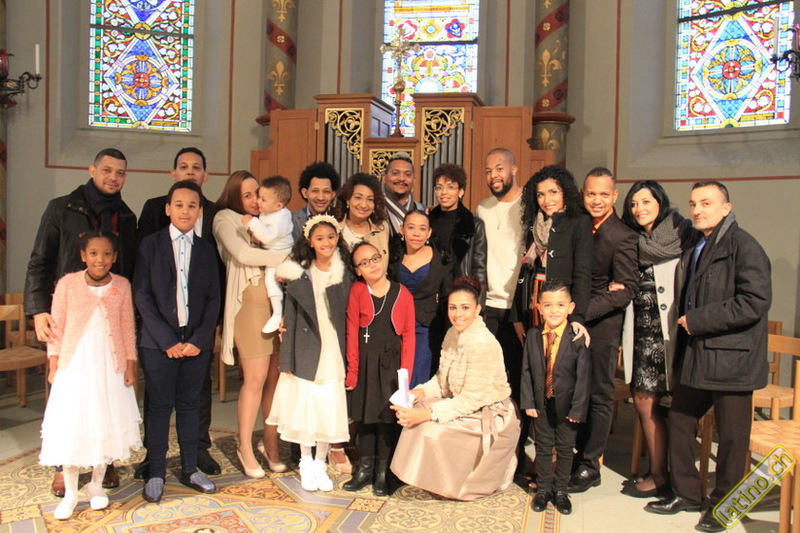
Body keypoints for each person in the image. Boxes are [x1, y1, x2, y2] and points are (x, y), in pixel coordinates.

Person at [645, 181, 771, 533]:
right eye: (693, 204)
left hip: (732, 360)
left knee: (731, 439)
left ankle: (725, 506)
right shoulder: (696, 244)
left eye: (706, 203)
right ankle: (687, 494)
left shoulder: (744, 246)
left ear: (726, 208)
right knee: (679, 420)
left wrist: (699, 320)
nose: (697, 210)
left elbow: (755, 302)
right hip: (698, 356)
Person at [24, 147, 135, 497]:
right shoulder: (62, 207)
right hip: (69, 318)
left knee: (107, 392)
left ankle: (106, 458)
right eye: (107, 170)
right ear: (92, 170)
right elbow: (40, 260)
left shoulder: (126, 216)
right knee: (67, 395)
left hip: (107, 322)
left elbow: (128, 270)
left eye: (120, 172)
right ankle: (64, 465)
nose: (113, 177)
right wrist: (38, 309)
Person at [39, 230, 141, 520]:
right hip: (75, 364)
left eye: (107, 254)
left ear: (115, 257)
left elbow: (127, 327)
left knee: (103, 421)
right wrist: (53, 361)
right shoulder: (67, 284)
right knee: (73, 422)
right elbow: (57, 326)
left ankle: (96, 485)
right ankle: (72, 491)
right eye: (94, 253)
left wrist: (130, 363)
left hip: (109, 364)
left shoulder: (122, 285)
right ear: (83, 255)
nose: (100, 259)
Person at [390, 276, 520, 501]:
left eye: (465, 308)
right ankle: (422, 475)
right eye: (453, 308)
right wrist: (420, 392)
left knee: (429, 427)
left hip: (489, 413)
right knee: (417, 405)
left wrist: (427, 415)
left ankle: (453, 482)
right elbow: (442, 380)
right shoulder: (453, 333)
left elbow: (471, 400)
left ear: (477, 309)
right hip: (466, 402)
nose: (458, 314)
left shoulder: (483, 344)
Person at [135, 146, 221, 480]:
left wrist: (201, 337)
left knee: (191, 402)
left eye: (192, 206)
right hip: (159, 339)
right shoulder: (151, 241)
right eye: (180, 205)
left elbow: (213, 296)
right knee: (158, 404)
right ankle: (155, 466)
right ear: (168, 208)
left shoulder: (206, 246)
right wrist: (165, 338)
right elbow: (142, 292)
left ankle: (192, 462)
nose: (186, 210)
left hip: (196, 337)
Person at [618, 180, 696, 498]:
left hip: (672, 335)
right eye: (634, 203)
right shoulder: (631, 240)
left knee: (664, 406)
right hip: (643, 334)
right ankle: (659, 473)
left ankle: (667, 478)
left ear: (660, 203)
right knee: (644, 402)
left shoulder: (683, 234)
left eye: (646, 201)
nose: (639, 209)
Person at [266, 215, 352, 492]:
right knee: (305, 404)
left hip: (333, 346)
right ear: (310, 242)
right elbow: (290, 318)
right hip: (305, 346)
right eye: (320, 238)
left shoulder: (344, 272)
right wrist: (287, 359)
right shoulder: (299, 273)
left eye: (331, 237)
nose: (326, 243)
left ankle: (320, 461)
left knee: (328, 403)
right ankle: (306, 461)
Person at [213, 170, 289, 478]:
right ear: (235, 196)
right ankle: (244, 446)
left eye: (257, 193)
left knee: (275, 379)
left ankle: (270, 442)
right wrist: (289, 257)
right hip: (249, 302)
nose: (255, 200)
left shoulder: (271, 219)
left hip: (277, 302)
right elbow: (243, 254)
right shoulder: (225, 219)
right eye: (247, 195)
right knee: (255, 378)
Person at [568, 167, 638, 494]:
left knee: (598, 394)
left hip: (602, 326)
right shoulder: (579, 225)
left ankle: (590, 464)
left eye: (603, 194)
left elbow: (625, 291)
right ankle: (575, 454)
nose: (597, 200)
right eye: (591, 194)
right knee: (575, 392)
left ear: (615, 196)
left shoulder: (623, 235)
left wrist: (582, 311)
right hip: (574, 320)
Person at [512, 165, 593, 394]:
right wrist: (516, 314)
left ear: (565, 192)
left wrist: (577, 316)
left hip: (560, 304)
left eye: (553, 192)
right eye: (541, 194)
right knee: (534, 362)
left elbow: (583, 273)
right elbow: (524, 271)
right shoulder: (533, 224)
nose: (547, 200)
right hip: (534, 298)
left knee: (558, 366)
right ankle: (533, 413)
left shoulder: (579, 222)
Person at [344, 242, 415, 496]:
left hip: (390, 365)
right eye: (364, 262)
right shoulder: (357, 291)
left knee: (386, 418)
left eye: (375, 258)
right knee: (365, 417)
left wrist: (404, 377)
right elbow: (352, 332)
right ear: (357, 270)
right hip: (364, 362)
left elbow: (409, 337)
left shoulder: (402, 293)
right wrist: (353, 371)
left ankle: (383, 472)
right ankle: (365, 468)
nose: (372, 265)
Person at [521, 280, 590, 516]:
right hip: (541, 403)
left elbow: (583, 377)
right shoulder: (533, 335)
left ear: (570, 307)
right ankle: (543, 489)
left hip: (568, 407)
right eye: (548, 305)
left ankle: (561, 490)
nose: (554, 310)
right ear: (539, 307)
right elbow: (526, 371)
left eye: (560, 305)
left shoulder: (577, 338)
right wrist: (528, 402)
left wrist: (578, 409)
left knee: (565, 448)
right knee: (542, 447)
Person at [475, 148, 526, 399]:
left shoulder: (529, 204)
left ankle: (520, 424)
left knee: (518, 377)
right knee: (487, 377)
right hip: (489, 305)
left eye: (499, 168)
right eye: (488, 171)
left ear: (513, 169)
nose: (493, 175)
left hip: (518, 307)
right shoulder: (483, 208)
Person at [388, 211, 456, 385]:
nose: (416, 234)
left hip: (427, 324)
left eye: (422, 229)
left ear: (429, 233)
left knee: (419, 374)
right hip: (396, 324)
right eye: (411, 228)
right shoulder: (393, 256)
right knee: (396, 372)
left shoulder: (441, 259)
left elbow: (448, 295)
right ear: (402, 229)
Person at [241, 175, 294, 334]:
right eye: (259, 197)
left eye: (263, 200)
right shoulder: (268, 212)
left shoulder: (282, 217)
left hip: (282, 255)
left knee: (271, 281)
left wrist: (252, 222)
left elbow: (268, 237)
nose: (258, 202)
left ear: (278, 205)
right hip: (273, 253)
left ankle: (278, 313)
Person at [427, 163, 487, 300]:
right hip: (431, 297)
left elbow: (479, 271)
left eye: (450, 187)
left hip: (461, 296)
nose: (444, 192)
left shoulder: (474, 225)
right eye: (439, 187)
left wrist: (477, 305)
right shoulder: (427, 222)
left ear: (461, 191)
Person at [334, 172, 390, 269]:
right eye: (358, 198)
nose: (363, 205)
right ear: (348, 200)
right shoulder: (335, 228)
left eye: (370, 199)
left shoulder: (382, 228)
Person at [290, 161, 341, 241]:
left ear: (333, 194)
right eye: (315, 191)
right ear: (305, 193)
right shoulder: (290, 220)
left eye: (326, 191)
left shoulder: (340, 219)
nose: (320, 197)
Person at [382, 152, 425, 235]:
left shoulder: (422, 210)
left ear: (414, 180)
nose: (401, 178)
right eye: (395, 173)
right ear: (384, 178)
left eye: (407, 175)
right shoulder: (374, 210)